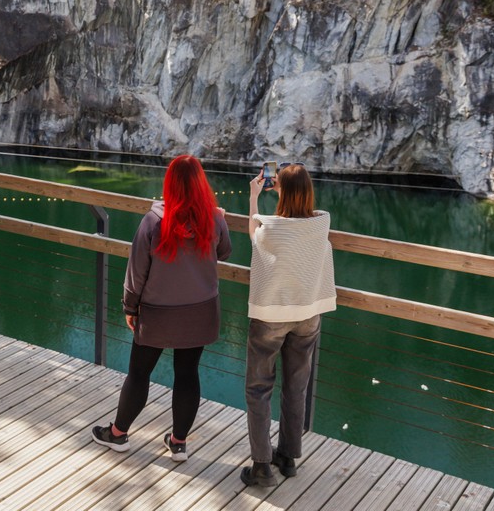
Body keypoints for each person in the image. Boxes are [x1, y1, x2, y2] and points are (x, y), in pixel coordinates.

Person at [92, 155, 232, 462]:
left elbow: (136, 271)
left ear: (169, 183)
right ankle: (178, 442)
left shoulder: (154, 220)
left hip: (157, 312)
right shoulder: (214, 218)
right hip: (200, 311)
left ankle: (117, 434)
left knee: (139, 373)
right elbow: (224, 252)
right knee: (187, 374)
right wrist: (218, 217)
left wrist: (130, 307)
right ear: (200, 183)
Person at [239, 162, 335, 487]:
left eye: (277, 183)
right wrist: (287, 187)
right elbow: (303, 214)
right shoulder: (322, 223)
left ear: (279, 188)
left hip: (271, 315)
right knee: (296, 387)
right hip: (307, 314)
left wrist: (254, 196)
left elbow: (254, 231)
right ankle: (288, 457)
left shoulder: (272, 226)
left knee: (258, 388)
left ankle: (262, 465)